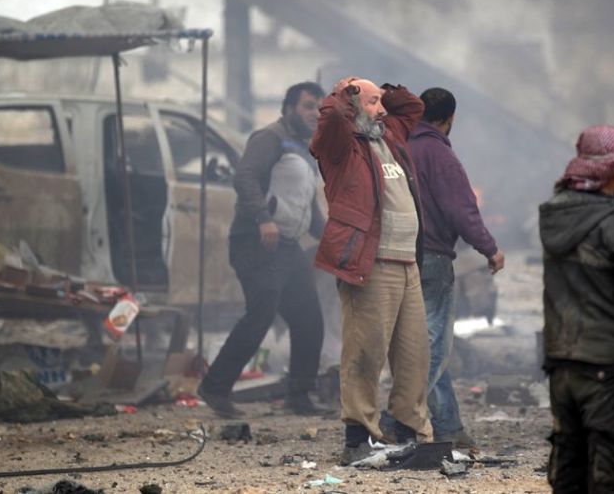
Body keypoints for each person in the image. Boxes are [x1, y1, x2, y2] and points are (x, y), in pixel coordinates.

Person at [310, 77, 433, 464]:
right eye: (374, 102)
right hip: (370, 262)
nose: (383, 110)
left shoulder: (389, 135)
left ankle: (406, 429)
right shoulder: (340, 148)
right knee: (366, 353)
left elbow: (413, 107)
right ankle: (358, 437)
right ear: (352, 105)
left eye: (382, 102)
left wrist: (381, 90)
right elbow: (330, 119)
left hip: (407, 262)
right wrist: (346, 94)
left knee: (415, 353)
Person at [539, 125, 614, 493]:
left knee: (569, 465)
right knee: (609, 468)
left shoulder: (555, 212)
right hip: (608, 361)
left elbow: (581, 205)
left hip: (561, 360)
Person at [198, 82, 328, 417]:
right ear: (288, 108)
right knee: (261, 315)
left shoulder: (303, 148)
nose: (315, 114)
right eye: (308, 106)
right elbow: (245, 177)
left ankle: (299, 395)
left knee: (309, 319)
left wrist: (330, 237)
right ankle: (215, 388)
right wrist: (263, 218)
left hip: (287, 247)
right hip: (256, 242)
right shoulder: (270, 137)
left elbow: (307, 205)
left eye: (319, 108)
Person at [405, 87, 504, 448]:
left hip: (400, 256)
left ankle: (448, 426)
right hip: (431, 256)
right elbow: (460, 209)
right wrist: (489, 248)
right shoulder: (438, 153)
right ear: (449, 119)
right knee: (434, 345)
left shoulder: (399, 146)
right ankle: (398, 418)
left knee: (426, 345)